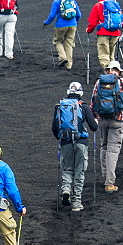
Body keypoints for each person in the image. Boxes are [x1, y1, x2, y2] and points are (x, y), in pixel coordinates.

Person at [90, 60, 123, 193]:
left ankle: (105, 175)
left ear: (107, 71)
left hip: (102, 119)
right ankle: (109, 182)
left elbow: (93, 101)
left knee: (104, 146)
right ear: (119, 71)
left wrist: (95, 116)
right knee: (113, 150)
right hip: (117, 119)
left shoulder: (100, 82)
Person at [52, 81, 98, 211]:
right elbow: (94, 127)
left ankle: (66, 189)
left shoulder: (60, 106)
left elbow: (54, 128)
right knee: (79, 171)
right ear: (80, 92)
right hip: (81, 142)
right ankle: (76, 202)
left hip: (65, 142)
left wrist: (61, 138)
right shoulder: (83, 106)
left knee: (66, 169)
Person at [43, 0, 81, 69]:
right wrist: (75, 22)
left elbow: (52, 15)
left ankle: (63, 58)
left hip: (61, 25)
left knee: (58, 41)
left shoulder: (56, 2)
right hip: (73, 25)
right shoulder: (72, 1)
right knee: (69, 44)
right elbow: (79, 14)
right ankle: (69, 65)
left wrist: (46, 23)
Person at [86, 0, 123, 71]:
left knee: (104, 54)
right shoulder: (116, 5)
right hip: (115, 33)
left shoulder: (98, 5)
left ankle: (108, 74)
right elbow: (121, 19)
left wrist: (89, 30)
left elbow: (92, 22)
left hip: (103, 33)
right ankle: (114, 72)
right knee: (111, 54)